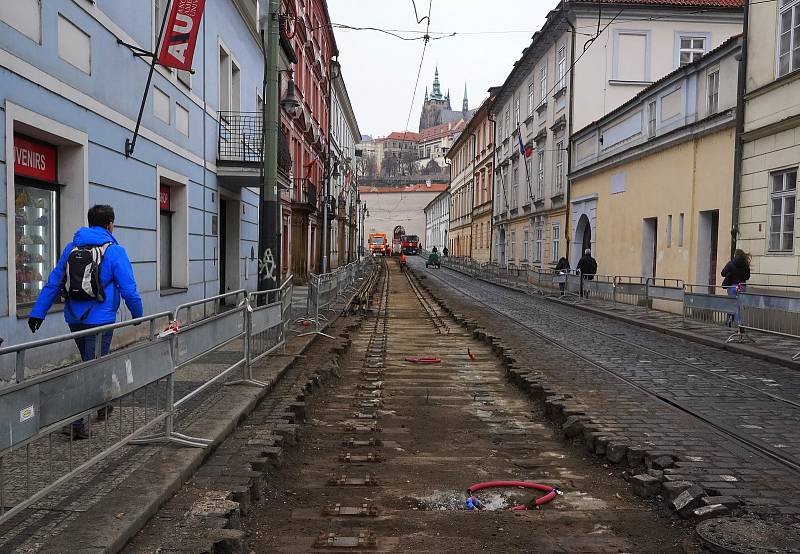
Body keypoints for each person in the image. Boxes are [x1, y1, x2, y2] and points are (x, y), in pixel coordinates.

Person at [28, 205, 144, 439]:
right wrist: (138, 315)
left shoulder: (72, 247)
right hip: (100, 321)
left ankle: (101, 405)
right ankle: (76, 422)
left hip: (74, 318)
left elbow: (53, 282)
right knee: (90, 368)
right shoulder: (115, 251)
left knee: (90, 363)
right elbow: (129, 289)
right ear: (110, 224)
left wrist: (38, 312)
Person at [721, 249, 751, 328]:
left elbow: (722, 273)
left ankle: (739, 324)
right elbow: (747, 277)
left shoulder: (731, 263)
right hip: (742, 287)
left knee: (734, 305)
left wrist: (730, 273)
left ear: (735, 255)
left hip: (733, 287)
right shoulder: (746, 264)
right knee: (735, 305)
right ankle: (728, 322)